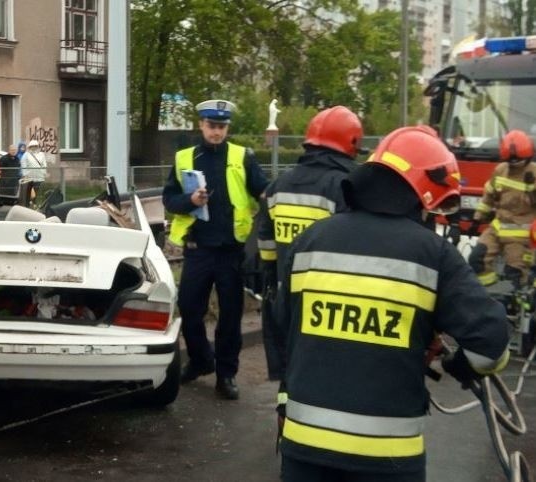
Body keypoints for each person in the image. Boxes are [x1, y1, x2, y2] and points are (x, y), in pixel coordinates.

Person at [275, 126, 510, 481]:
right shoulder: (434, 254)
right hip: (388, 458)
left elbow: (284, 329)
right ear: (425, 192)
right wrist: (459, 365)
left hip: (303, 448)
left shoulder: (311, 240)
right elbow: (491, 347)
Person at [162, 99, 268, 400]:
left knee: (230, 317)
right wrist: (189, 202)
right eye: (211, 126)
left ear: (227, 128)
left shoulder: (242, 156)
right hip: (197, 249)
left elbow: (262, 190)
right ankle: (200, 360)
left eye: (221, 127)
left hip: (230, 251)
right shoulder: (185, 157)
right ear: (201, 125)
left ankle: (226, 374)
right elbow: (169, 199)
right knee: (190, 308)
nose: (216, 132)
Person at [257, 106, 363, 381]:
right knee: (325, 379)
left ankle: (286, 418)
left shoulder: (278, 186)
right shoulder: (347, 186)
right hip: (330, 305)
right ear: (350, 144)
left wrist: (272, 275)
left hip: (285, 297)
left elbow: (265, 242)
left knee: (289, 376)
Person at [469, 129, 536, 287]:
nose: (514, 165)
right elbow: (488, 197)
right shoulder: (500, 170)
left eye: (518, 161)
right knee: (476, 259)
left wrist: (532, 190)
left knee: (514, 276)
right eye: (511, 161)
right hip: (496, 229)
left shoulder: (534, 173)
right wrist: (477, 219)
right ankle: (490, 293)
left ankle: (511, 303)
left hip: (521, 235)